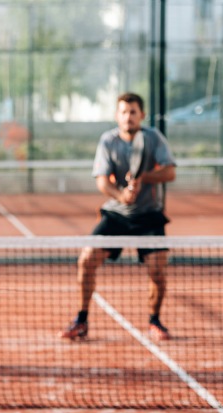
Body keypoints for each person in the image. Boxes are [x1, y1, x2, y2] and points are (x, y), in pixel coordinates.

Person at [60, 92, 177, 342]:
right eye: (123, 112)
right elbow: (102, 181)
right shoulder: (108, 141)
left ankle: (155, 321)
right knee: (87, 260)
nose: (128, 117)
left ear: (141, 115)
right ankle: (81, 319)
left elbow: (169, 173)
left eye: (133, 112)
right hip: (117, 215)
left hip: (149, 215)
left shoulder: (154, 138)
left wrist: (144, 178)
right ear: (117, 115)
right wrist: (121, 195)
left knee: (158, 271)